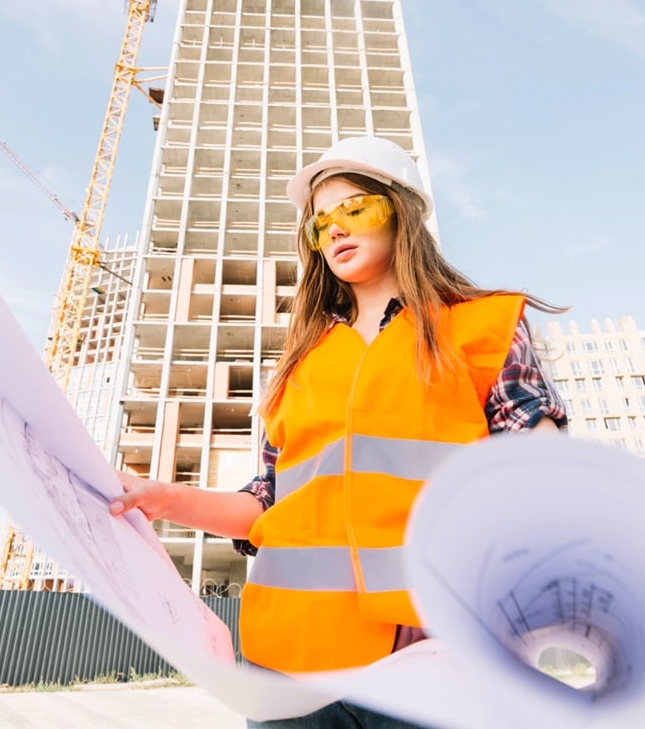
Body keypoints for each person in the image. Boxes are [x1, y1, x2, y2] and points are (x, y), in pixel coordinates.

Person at [110, 135, 567, 728]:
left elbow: (538, 472)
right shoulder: (304, 362)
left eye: (355, 209)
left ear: (400, 211)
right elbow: (269, 502)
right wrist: (165, 499)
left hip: (433, 654)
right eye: (320, 223)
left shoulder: (483, 324)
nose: (336, 231)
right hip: (287, 661)